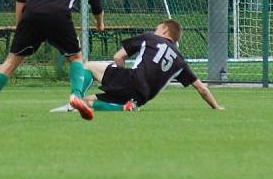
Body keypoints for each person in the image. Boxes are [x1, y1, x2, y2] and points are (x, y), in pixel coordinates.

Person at [54, 19, 223, 112]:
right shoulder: (180, 61)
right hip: (142, 97)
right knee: (89, 102)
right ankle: (125, 107)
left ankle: (74, 98)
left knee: (89, 65)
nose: (155, 30)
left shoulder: (151, 38)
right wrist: (216, 107)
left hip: (131, 81)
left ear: (164, 30)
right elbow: (201, 88)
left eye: (157, 28)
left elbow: (118, 56)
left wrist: (118, 81)